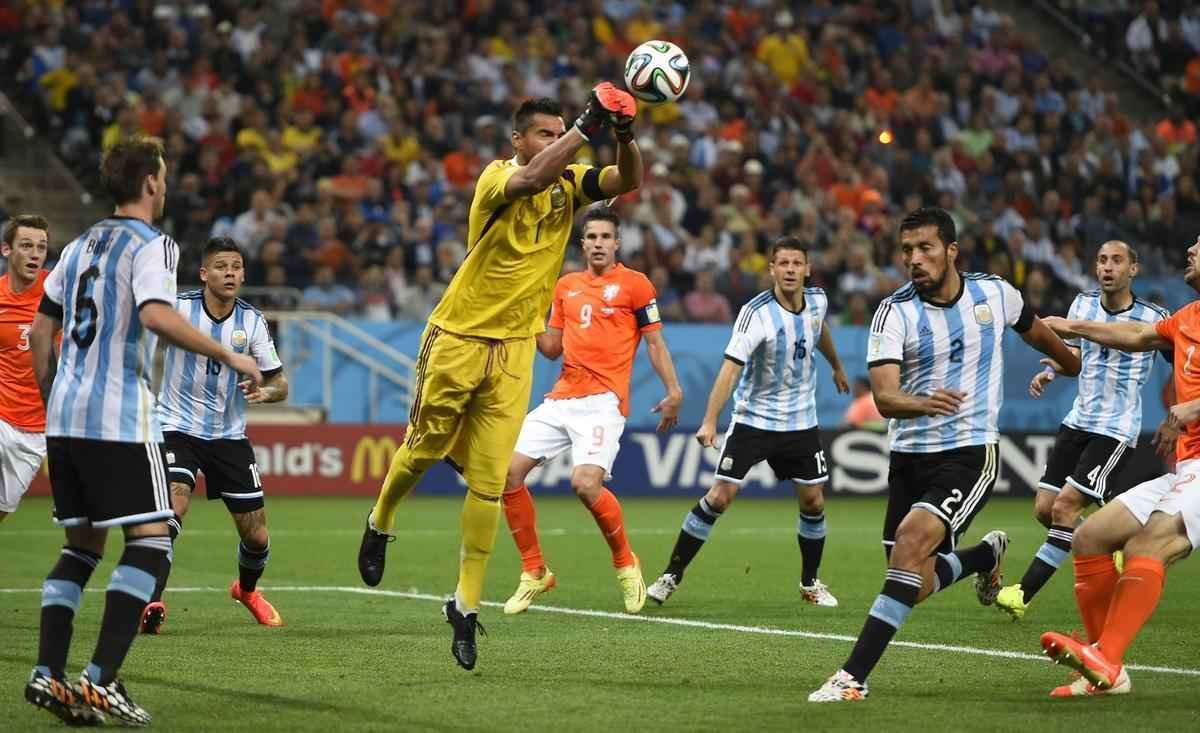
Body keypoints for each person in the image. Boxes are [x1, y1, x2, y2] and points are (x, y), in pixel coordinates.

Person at [356, 87, 643, 671]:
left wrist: (625, 134)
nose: (554, 140)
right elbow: (532, 179)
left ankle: (464, 605)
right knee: (424, 448)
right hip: (458, 336)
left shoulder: (571, 180)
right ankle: (380, 518)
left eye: (560, 130)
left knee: (489, 482)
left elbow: (625, 183)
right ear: (518, 139)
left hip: (514, 351)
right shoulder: (497, 176)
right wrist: (585, 128)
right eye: (545, 132)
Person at [24, 138, 262, 726]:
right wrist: (232, 358)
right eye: (162, 173)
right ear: (152, 183)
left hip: (66, 418)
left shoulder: (78, 245)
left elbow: (38, 333)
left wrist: (55, 395)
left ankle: (47, 674)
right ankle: (100, 680)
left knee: (81, 548)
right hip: (119, 417)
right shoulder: (153, 244)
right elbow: (156, 314)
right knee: (153, 541)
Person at [809, 207, 1080, 702]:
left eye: (925, 248)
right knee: (912, 579)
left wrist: (1071, 362)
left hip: (970, 450)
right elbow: (886, 397)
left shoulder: (995, 293)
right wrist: (923, 403)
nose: (914, 259)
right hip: (909, 454)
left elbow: (1036, 329)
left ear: (951, 250)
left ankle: (853, 677)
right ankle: (983, 556)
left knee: (912, 544)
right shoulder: (894, 312)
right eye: (907, 250)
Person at [646, 237, 850, 608]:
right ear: (771, 269)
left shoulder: (817, 300)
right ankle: (670, 576)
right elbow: (729, 370)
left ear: (807, 268)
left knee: (814, 502)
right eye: (782, 263)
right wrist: (709, 421)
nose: (789, 270)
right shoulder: (756, 313)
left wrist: (836, 365)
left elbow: (820, 331)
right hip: (755, 420)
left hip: (801, 421)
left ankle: (810, 582)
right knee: (720, 497)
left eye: (796, 263)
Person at [1038, 234, 1200, 698]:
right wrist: (1074, 328)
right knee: (1089, 536)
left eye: (1198, 245)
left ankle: (1105, 659)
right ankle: (1105, 668)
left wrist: (1195, 407)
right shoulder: (1186, 318)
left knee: (1148, 546)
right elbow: (1133, 335)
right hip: (1188, 466)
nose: (1189, 251)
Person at [500, 208, 682, 615]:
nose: (598, 243)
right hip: (562, 399)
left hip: (603, 403)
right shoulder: (566, 286)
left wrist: (673, 390)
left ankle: (625, 563)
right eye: (591, 237)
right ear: (582, 244)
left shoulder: (636, 285)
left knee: (584, 484)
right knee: (507, 473)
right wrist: (529, 312)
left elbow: (654, 343)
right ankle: (535, 571)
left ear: (617, 243)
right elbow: (550, 348)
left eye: (605, 237)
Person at [996, 241, 1169, 621]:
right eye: (1103, 260)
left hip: (1115, 428)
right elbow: (1075, 353)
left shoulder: (1153, 317)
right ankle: (1116, 539)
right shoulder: (1082, 304)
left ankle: (1022, 593)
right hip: (1078, 420)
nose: (1108, 267)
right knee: (1045, 509)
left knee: (1065, 507)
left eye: (1117, 261)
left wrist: (1178, 410)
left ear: (1133, 270)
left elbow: (1182, 360)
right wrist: (1052, 370)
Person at [139, 236, 289, 635]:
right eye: (221, 266)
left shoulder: (252, 321)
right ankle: (151, 600)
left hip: (228, 436)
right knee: (175, 506)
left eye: (236, 267)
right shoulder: (179, 308)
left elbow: (281, 383)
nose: (230, 273)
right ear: (204, 273)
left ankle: (247, 590)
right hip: (175, 426)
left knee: (256, 535)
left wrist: (266, 392)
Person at [0, 215, 50, 522]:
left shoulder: (58, 292)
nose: (35, 253)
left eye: (41, 247)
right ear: (7, 250)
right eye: (26, 245)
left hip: (35, 430)